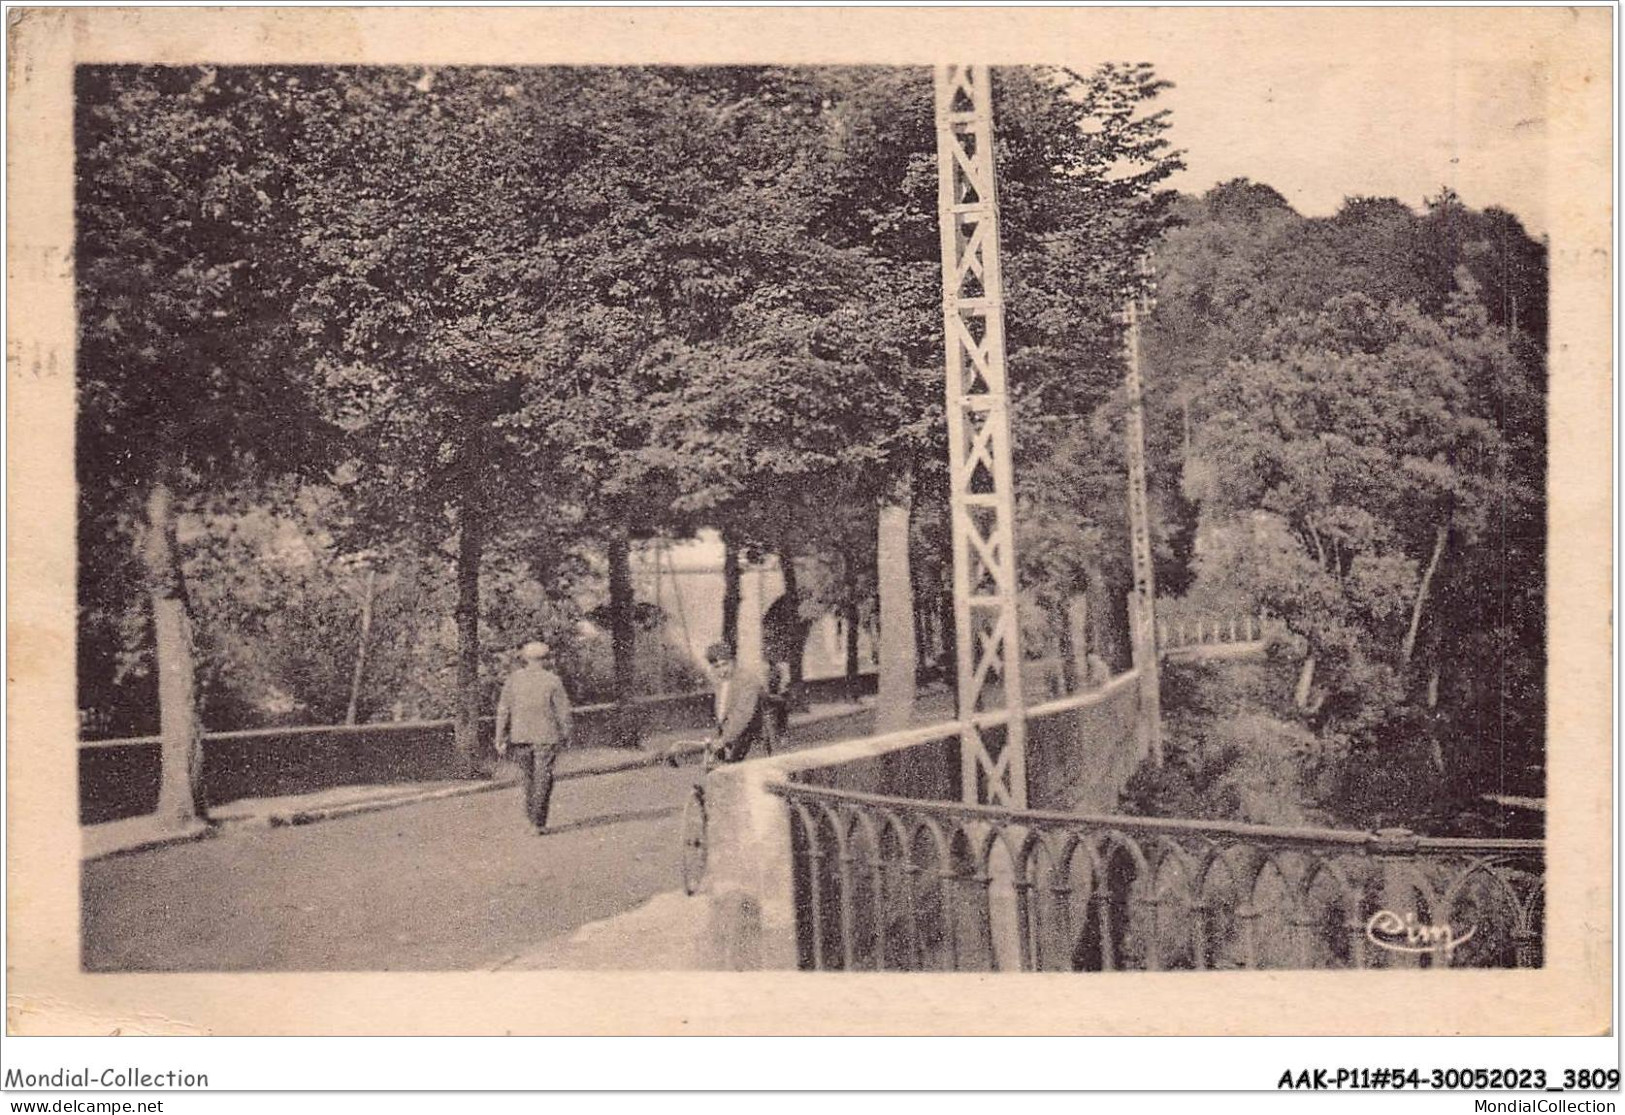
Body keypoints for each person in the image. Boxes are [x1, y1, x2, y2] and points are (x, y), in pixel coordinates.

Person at [494, 641, 574, 834]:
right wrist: (567, 734)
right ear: (546, 660)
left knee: (529, 778)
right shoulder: (553, 680)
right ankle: (538, 822)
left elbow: (503, 711)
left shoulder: (513, 680)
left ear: (525, 659)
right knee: (543, 778)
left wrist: (499, 737)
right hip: (546, 736)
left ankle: (532, 818)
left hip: (520, 736)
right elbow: (563, 712)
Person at [664, 641, 769, 767]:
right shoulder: (720, 682)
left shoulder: (747, 680)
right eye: (717, 666)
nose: (722, 670)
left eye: (725, 664)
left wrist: (723, 740)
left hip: (752, 745)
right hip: (731, 744)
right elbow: (722, 714)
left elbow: (741, 714)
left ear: (733, 662)